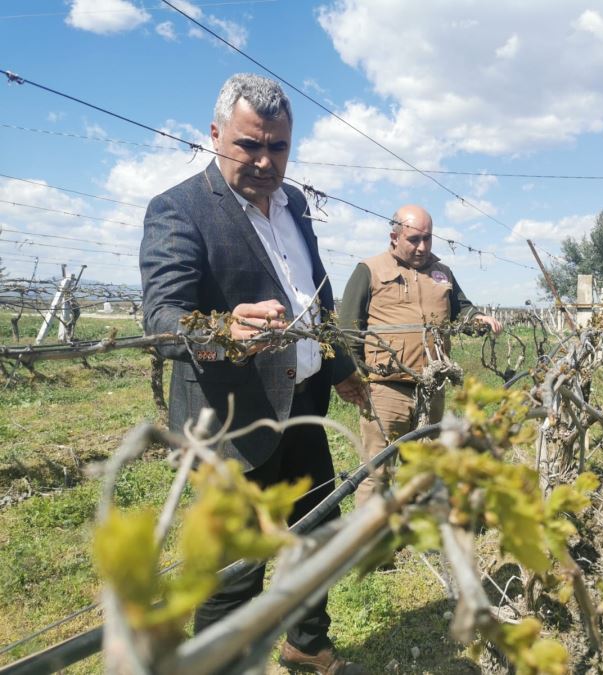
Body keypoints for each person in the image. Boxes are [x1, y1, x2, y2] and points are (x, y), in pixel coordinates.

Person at [140, 73, 368, 675]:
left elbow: (310, 297)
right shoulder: (178, 209)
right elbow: (162, 319)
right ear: (215, 136)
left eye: (279, 147)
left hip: (304, 409)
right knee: (235, 569)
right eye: (249, 145)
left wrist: (341, 366)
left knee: (317, 533)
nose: (266, 162)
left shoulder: (293, 204)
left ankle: (304, 640)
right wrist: (220, 330)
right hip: (232, 425)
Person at [339, 205, 502, 505]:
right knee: (378, 470)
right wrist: (356, 376)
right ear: (394, 236)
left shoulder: (442, 273)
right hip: (385, 389)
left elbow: (461, 308)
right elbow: (349, 328)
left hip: (432, 389)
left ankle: (414, 530)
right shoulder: (370, 270)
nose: (422, 247)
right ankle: (366, 543)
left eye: (428, 239)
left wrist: (477, 318)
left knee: (424, 467)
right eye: (414, 239)